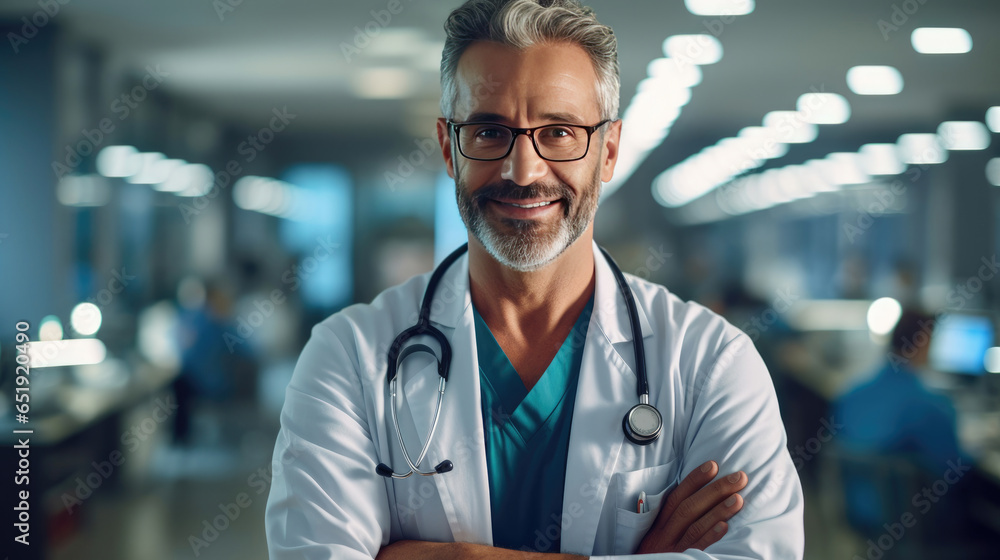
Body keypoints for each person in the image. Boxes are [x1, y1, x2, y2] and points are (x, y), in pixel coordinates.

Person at [265, 1, 803, 558]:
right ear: (450, 148)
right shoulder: (348, 357)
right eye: (490, 131)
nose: (523, 171)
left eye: (560, 132)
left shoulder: (710, 363)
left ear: (609, 150)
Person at [833, 309, 968, 538]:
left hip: (860, 514)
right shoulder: (929, 406)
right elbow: (955, 470)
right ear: (924, 341)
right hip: (913, 526)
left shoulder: (850, 395)